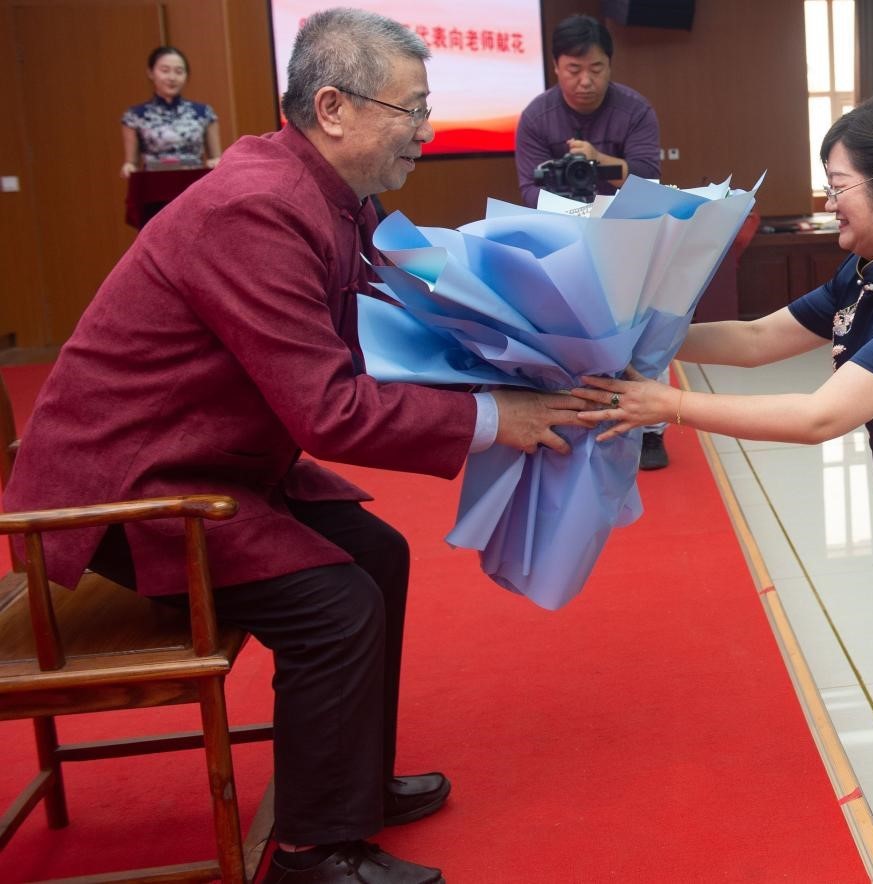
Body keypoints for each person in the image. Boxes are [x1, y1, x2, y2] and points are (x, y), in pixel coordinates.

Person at [6, 9, 585, 883]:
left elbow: (382, 324)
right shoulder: (258, 209)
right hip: (132, 489)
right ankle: (314, 853)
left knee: (378, 556)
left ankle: (350, 785)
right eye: (412, 109)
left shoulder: (321, 191)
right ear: (333, 106)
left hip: (211, 457)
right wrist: (498, 416)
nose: (424, 130)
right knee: (336, 607)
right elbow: (328, 409)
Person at [574, 92, 873, 884]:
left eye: (839, 187)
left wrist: (675, 405)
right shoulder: (866, 273)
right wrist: (641, 339)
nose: (829, 204)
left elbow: (823, 417)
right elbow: (762, 338)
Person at [514, 14, 670, 470]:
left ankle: (652, 431)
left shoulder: (635, 109)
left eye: (596, 69)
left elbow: (649, 178)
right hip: (564, 239)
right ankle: (576, 416)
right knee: (572, 338)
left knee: (645, 334)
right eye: (573, 69)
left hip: (628, 238)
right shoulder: (537, 117)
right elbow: (529, 190)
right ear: (555, 66)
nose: (585, 80)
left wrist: (598, 162)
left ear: (610, 64)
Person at [121, 46, 222, 177]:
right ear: (151, 73)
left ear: (186, 75)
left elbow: (217, 158)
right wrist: (128, 167)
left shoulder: (204, 112)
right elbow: (131, 163)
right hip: (153, 185)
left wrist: (216, 162)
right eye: (165, 70)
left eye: (179, 71)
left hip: (194, 183)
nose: (172, 77)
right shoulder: (134, 115)